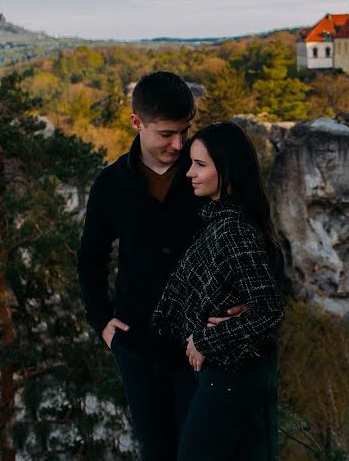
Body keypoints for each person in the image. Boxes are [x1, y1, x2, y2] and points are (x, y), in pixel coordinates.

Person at [76, 71, 241, 460]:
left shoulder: (210, 175)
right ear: (137, 123)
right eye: (167, 133)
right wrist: (102, 321)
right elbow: (90, 258)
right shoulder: (111, 184)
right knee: (157, 452)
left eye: (184, 131)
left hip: (203, 348)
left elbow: (251, 241)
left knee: (201, 451)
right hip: (140, 350)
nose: (178, 143)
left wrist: (244, 305)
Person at [153, 121, 284, 461]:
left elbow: (268, 308)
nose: (189, 174)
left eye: (200, 165)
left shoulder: (233, 229)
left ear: (226, 169)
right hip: (230, 372)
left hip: (233, 373)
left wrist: (203, 340)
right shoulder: (221, 221)